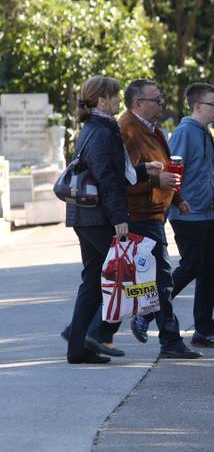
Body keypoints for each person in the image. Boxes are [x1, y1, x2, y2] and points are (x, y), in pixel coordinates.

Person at [64, 76, 159, 364]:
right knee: (122, 274)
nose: (119, 102)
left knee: (93, 280)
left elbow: (114, 172)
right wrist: (120, 218)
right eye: (115, 97)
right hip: (99, 217)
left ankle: (78, 346)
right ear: (102, 101)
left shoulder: (94, 128)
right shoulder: (103, 131)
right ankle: (96, 333)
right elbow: (108, 178)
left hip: (86, 215)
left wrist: (143, 170)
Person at [120, 79, 201, 359]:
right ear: (138, 103)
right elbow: (125, 178)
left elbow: (165, 170)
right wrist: (157, 180)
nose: (162, 104)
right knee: (161, 279)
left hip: (155, 212)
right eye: (156, 99)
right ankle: (170, 340)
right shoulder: (128, 130)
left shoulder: (151, 129)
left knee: (148, 280)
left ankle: (88, 330)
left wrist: (177, 198)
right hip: (140, 214)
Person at [166, 83, 214, 349]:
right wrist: (178, 203)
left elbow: (209, 177)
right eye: (213, 104)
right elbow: (173, 174)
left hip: (206, 214)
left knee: (211, 271)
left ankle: (204, 330)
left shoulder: (206, 133)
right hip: (186, 213)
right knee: (192, 266)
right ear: (197, 106)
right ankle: (150, 309)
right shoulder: (184, 132)